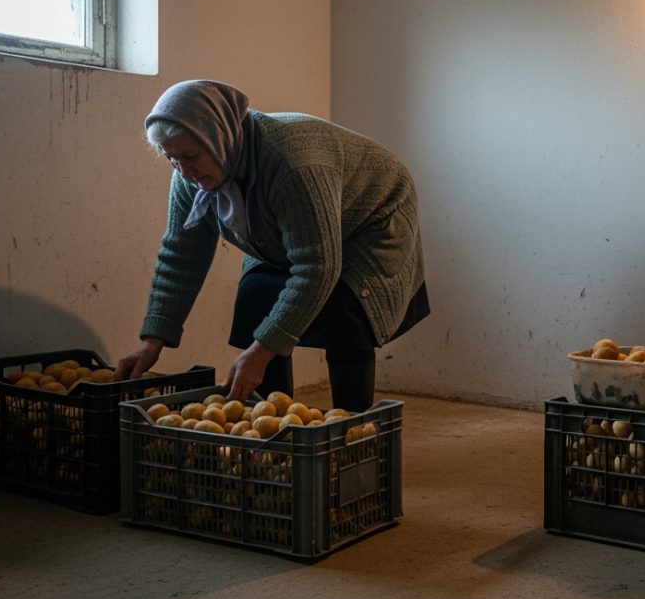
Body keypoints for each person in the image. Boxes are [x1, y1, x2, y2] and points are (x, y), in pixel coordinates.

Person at [115, 80, 429, 410]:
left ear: (219, 137)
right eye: (171, 158)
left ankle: (354, 429)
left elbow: (317, 267)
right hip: (292, 230)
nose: (184, 170)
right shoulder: (188, 177)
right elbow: (181, 256)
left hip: (371, 217)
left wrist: (261, 352)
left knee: (346, 309)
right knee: (256, 297)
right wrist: (153, 341)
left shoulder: (291, 163)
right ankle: (279, 422)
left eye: (192, 156)